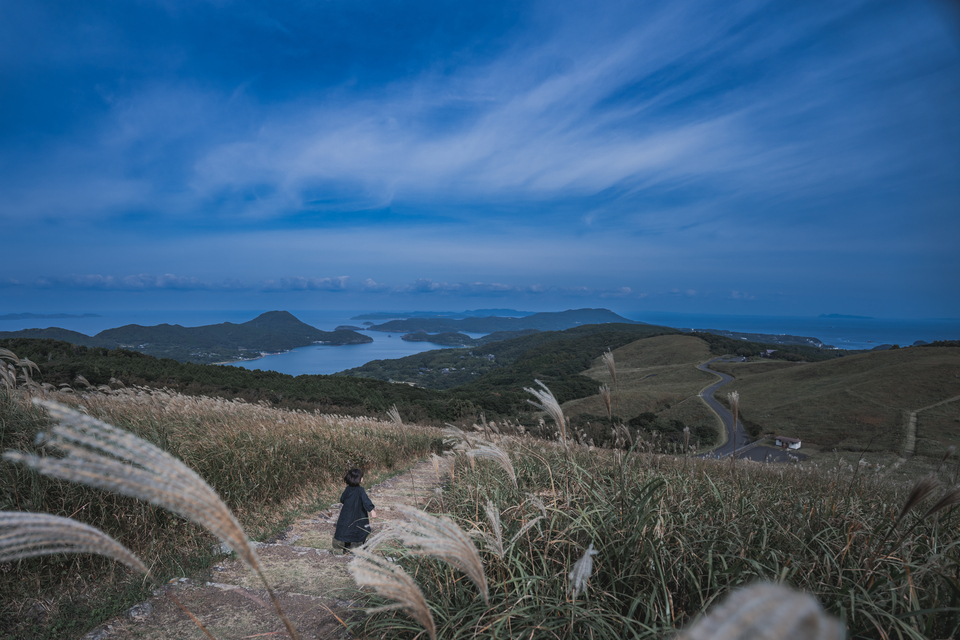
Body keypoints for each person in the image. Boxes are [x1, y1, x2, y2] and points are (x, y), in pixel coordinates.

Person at [332, 468, 377, 554]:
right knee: (361, 529)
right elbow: (366, 501)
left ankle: (347, 547)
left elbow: (342, 499)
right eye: (361, 477)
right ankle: (362, 546)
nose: (362, 479)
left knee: (347, 529)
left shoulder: (347, 489)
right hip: (359, 514)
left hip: (347, 514)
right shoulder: (361, 490)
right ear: (358, 479)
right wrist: (372, 510)